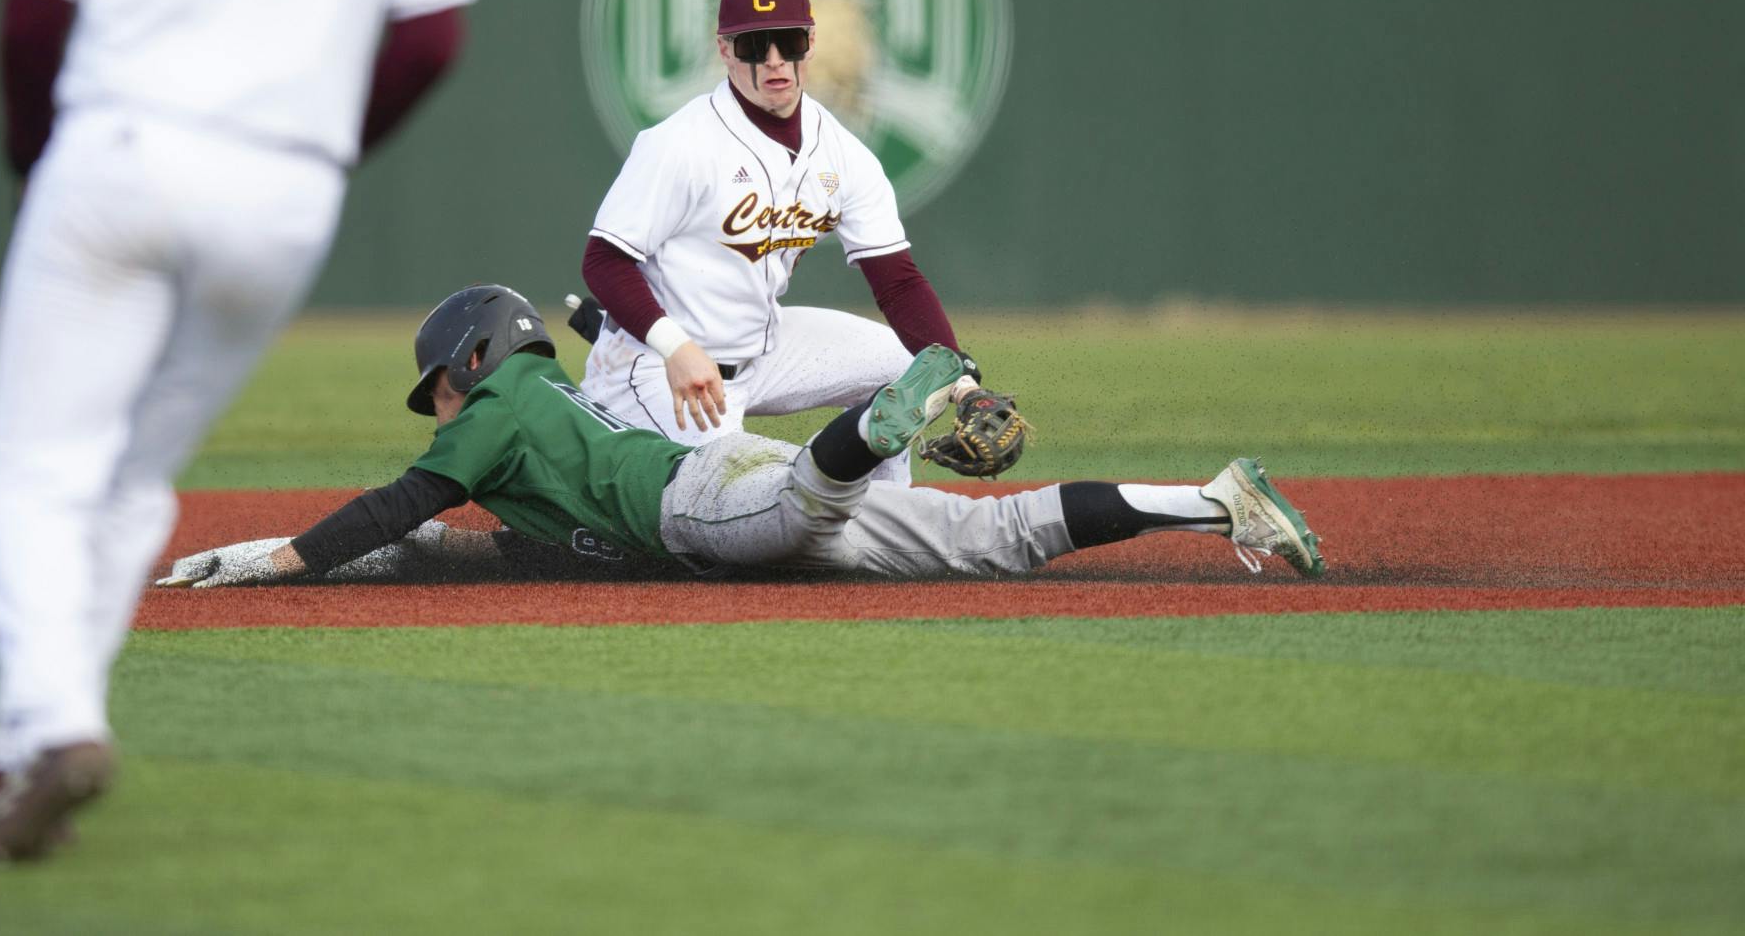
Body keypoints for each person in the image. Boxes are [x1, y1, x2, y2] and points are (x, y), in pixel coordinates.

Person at [0, 0, 480, 865]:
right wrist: (321, 143)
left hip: (123, 151)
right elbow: (431, 34)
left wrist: (38, 161)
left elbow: (35, 13)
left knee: (34, 470)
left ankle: (52, 713)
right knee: (131, 476)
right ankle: (20, 742)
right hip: (279, 191)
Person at [155, 285, 1326, 592]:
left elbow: (398, 510)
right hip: (718, 485)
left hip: (705, 499)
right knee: (993, 538)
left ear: (470, 359)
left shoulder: (502, 411)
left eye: (437, 391)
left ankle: (876, 415)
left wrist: (280, 559)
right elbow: (463, 549)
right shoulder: (548, 418)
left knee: (775, 518)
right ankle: (1219, 497)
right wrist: (292, 548)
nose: (438, 412)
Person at [577, 0, 968, 482]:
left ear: (809, 41)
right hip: (658, 365)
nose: (774, 61)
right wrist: (674, 345)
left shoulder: (842, 153)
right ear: (724, 51)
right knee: (735, 510)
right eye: (754, 46)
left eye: (787, 42)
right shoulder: (678, 144)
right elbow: (604, 261)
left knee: (912, 370)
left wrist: (963, 384)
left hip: (762, 351)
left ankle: (886, 508)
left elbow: (897, 282)